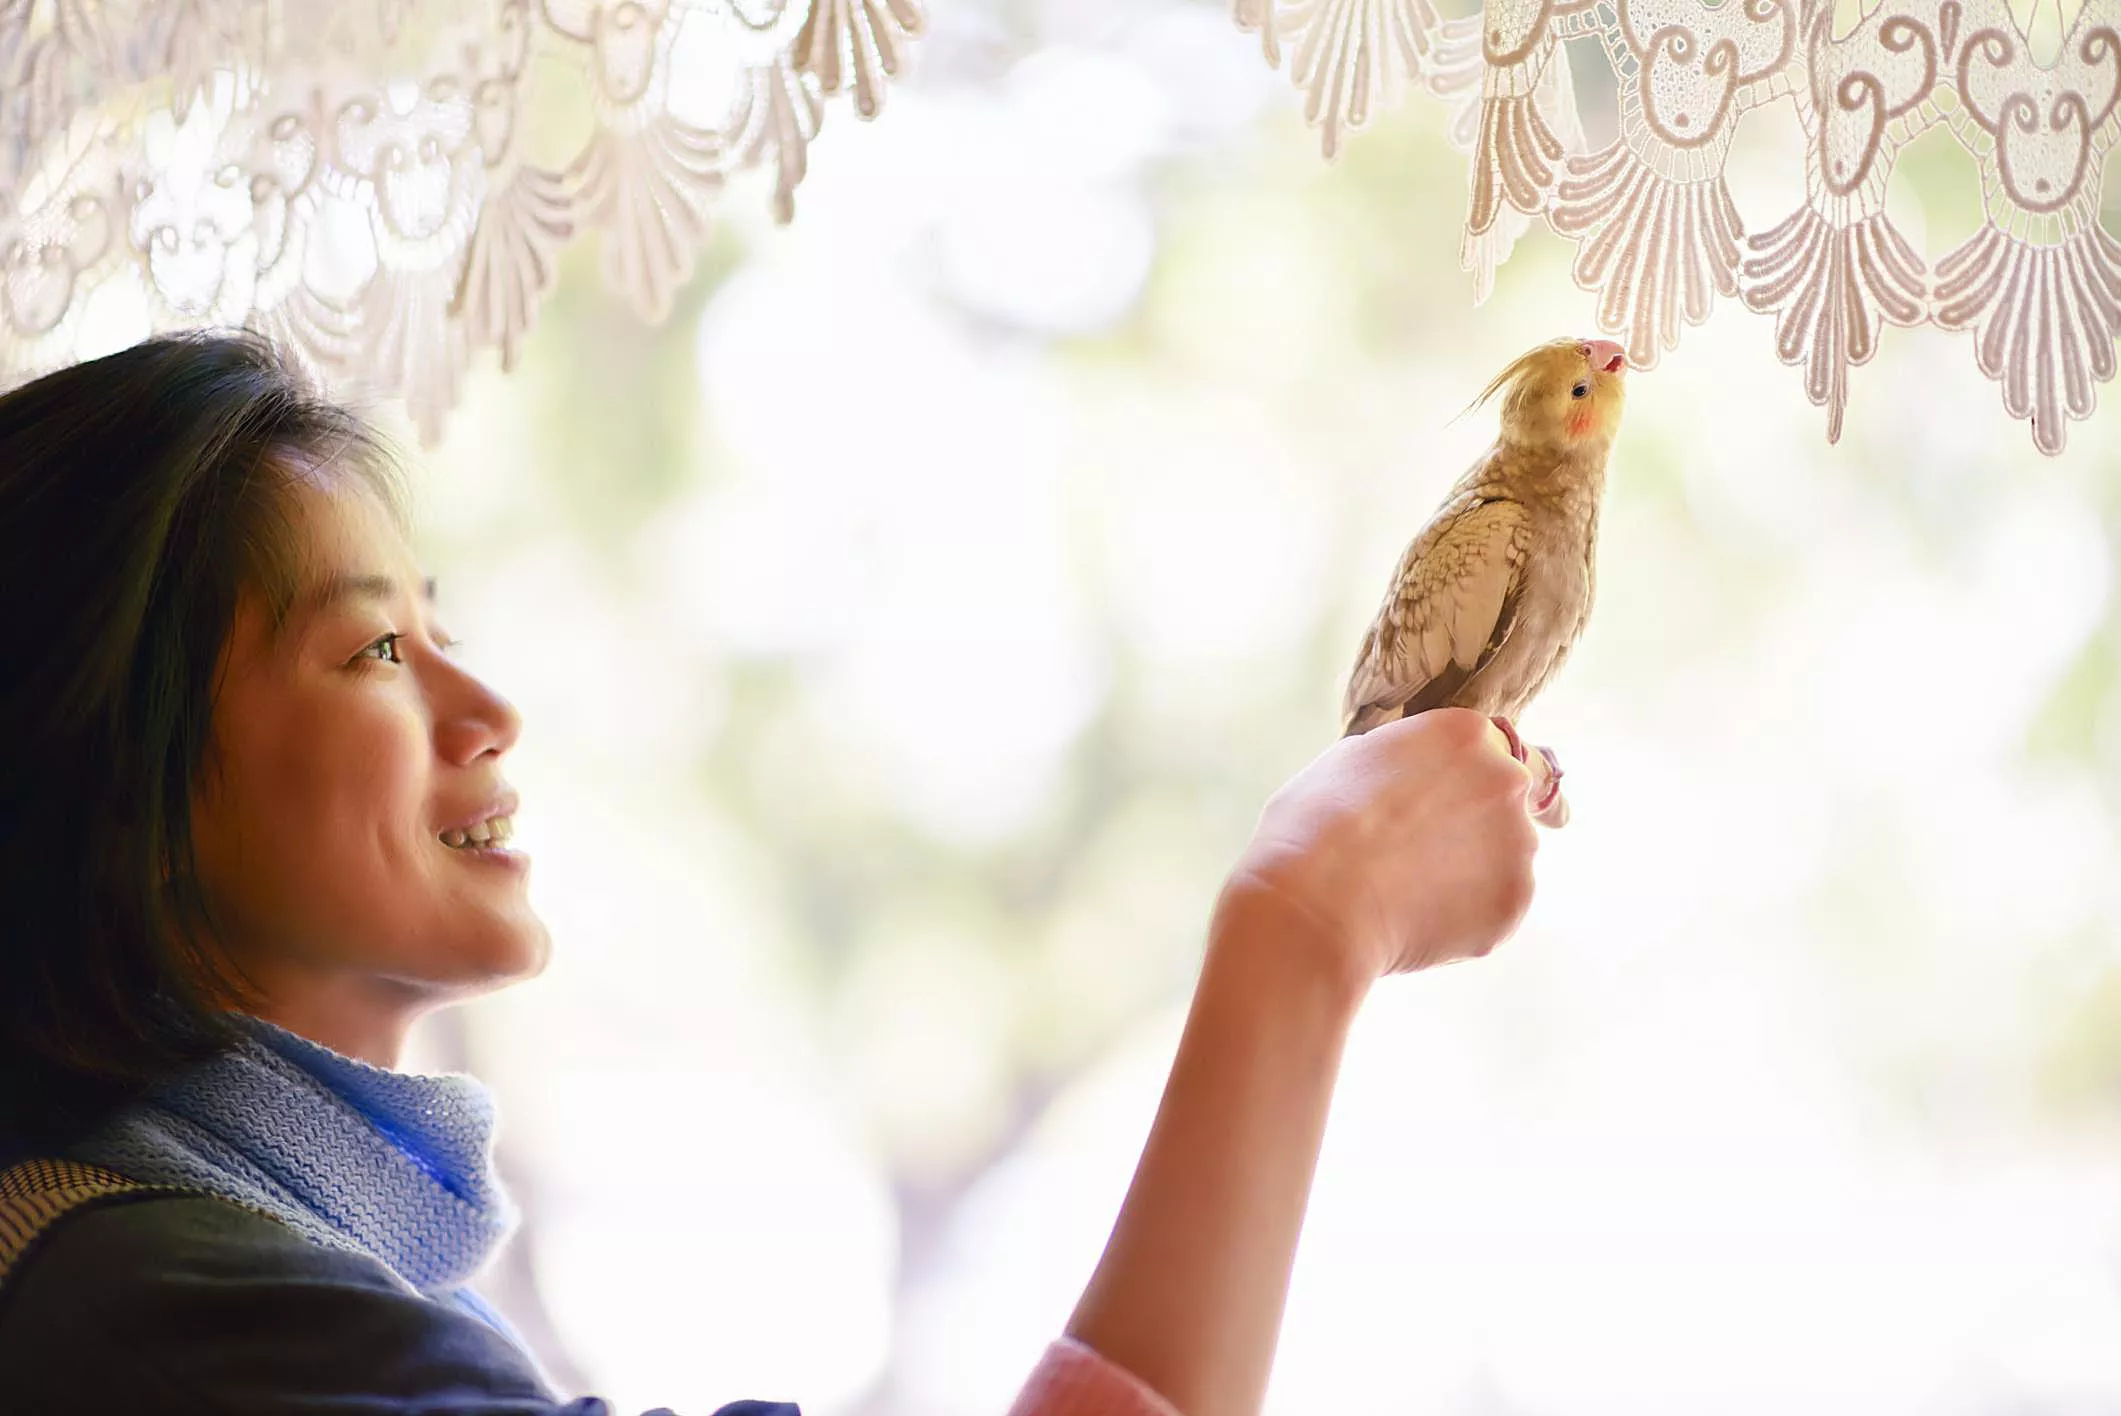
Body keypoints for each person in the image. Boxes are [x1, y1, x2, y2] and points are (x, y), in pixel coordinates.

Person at [0, 331, 1568, 1416]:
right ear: (114, 776)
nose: (485, 711)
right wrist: (1305, 926)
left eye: (445, 626)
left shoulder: (217, 1286)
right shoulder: (163, 1315)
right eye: (375, 651)